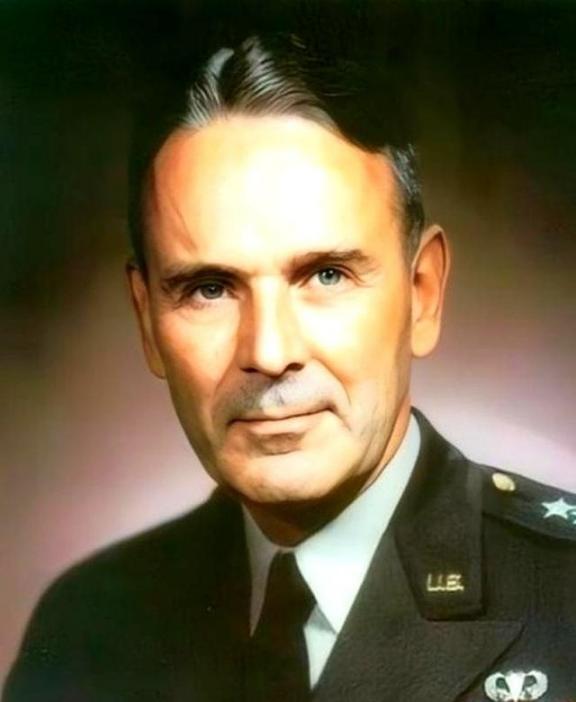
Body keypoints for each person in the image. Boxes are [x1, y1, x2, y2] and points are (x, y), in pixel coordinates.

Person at [4, 32, 576, 702]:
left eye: (326, 275)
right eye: (209, 288)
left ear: (422, 294)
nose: (270, 353)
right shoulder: (87, 626)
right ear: (147, 322)